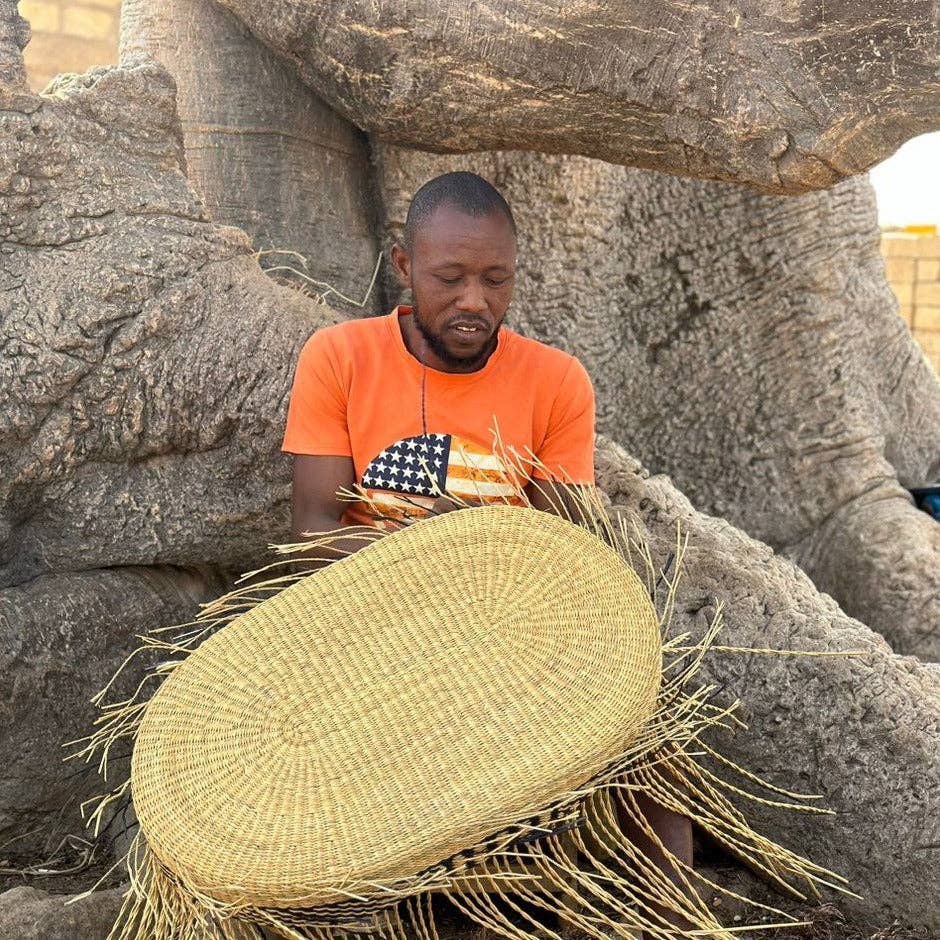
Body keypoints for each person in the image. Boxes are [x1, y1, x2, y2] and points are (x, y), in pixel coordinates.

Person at [280, 171, 692, 937]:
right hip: (369, 631)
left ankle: (652, 919)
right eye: (451, 278)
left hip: (506, 631)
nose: (475, 301)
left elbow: (562, 548)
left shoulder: (556, 381)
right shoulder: (338, 357)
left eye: (495, 280)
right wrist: (429, 552)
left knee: (654, 757)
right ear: (405, 269)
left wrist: (474, 560)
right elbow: (312, 537)